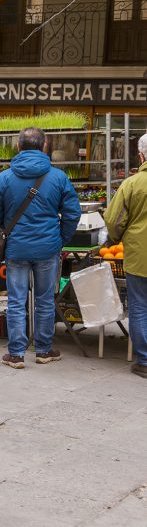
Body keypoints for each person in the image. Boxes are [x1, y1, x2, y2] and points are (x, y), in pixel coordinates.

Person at [0, 127, 81, 369]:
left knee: (16, 301)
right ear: (44, 146)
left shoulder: (5, 177)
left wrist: (7, 228)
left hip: (16, 247)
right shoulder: (58, 177)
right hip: (47, 248)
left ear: (18, 146)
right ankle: (44, 349)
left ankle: (16, 354)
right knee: (45, 300)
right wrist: (60, 238)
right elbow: (73, 213)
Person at [104, 134, 147, 378]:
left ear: (141, 156)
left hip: (139, 257)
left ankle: (145, 360)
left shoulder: (132, 184)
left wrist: (116, 236)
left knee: (140, 307)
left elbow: (113, 219)